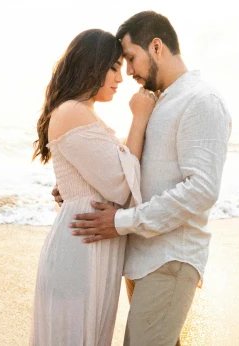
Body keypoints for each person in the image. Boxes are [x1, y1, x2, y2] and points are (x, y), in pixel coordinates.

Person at [65, 11, 232, 345]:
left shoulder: (201, 101)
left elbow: (202, 190)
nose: (128, 72)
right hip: (142, 255)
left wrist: (123, 221)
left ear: (156, 47)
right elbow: (133, 170)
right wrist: (80, 190)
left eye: (131, 59)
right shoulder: (158, 101)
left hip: (171, 258)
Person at [30, 28, 158, 346]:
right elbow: (120, 183)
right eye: (114, 67)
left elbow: (110, 172)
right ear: (91, 64)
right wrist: (140, 119)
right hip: (79, 252)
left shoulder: (84, 113)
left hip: (91, 248)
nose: (120, 77)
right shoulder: (73, 111)